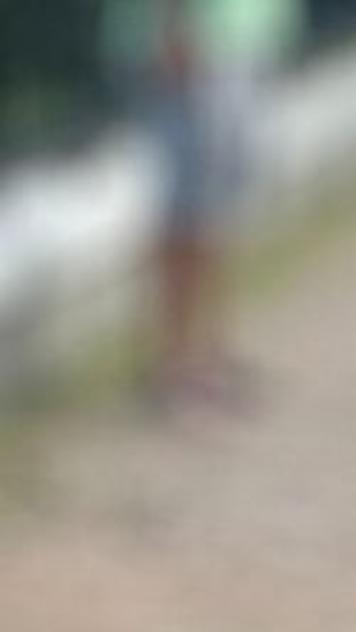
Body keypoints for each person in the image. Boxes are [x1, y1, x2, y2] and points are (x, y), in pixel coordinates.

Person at [102, 0, 302, 410]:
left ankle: (207, 355)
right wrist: (174, 29)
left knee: (212, 215)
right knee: (186, 216)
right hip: (195, 49)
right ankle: (174, 366)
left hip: (235, 44)